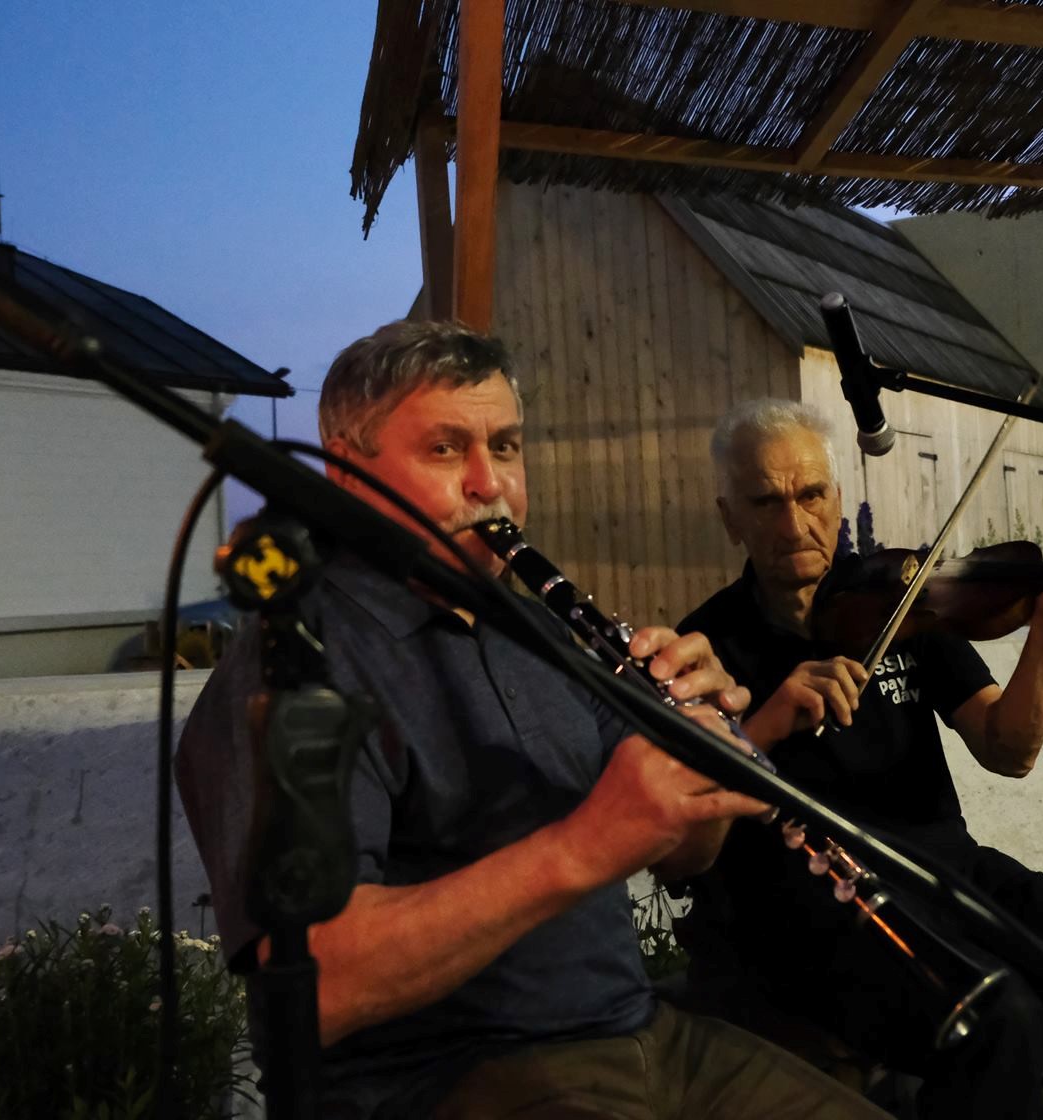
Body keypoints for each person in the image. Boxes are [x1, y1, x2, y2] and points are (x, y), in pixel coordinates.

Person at [176, 322, 888, 1120]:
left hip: (647, 1035)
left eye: (506, 447)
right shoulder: (295, 663)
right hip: (448, 1080)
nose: (492, 485)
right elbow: (317, 989)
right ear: (345, 470)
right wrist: (585, 846)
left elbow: (686, 856)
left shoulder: (537, 629)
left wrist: (706, 752)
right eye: (445, 449)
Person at [674, 398, 1043, 1120]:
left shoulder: (902, 600)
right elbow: (681, 830)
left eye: (811, 494)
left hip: (948, 874)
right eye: (766, 502)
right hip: (816, 911)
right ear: (729, 517)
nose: (794, 524)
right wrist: (763, 725)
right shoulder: (705, 645)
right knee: (1000, 1018)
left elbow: (1009, 749)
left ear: (839, 499)